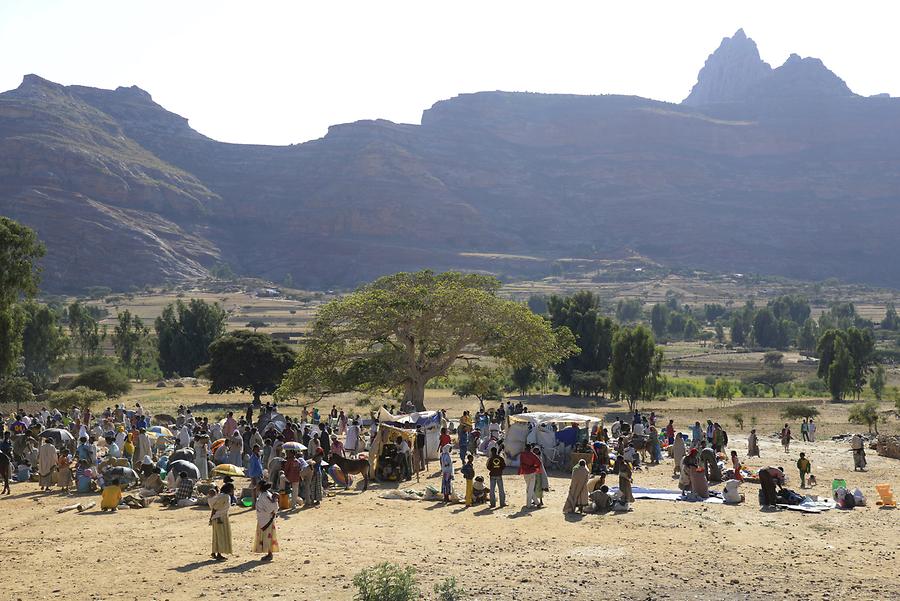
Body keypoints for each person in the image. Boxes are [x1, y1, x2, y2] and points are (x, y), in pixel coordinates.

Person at [253, 482, 279, 561]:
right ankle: (268, 553)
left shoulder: (265, 496)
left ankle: (269, 553)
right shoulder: (264, 495)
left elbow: (272, 507)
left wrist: (270, 513)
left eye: (257, 485)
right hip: (264, 518)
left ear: (260, 487)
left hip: (267, 519)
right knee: (267, 536)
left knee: (268, 536)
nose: (256, 486)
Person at [209, 483, 234, 561]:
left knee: (216, 535)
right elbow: (215, 508)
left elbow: (214, 507)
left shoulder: (221, 496)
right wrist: (212, 517)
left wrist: (211, 518)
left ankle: (214, 552)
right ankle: (219, 554)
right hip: (220, 518)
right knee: (221, 536)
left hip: (218, 517)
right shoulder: (225, 497)